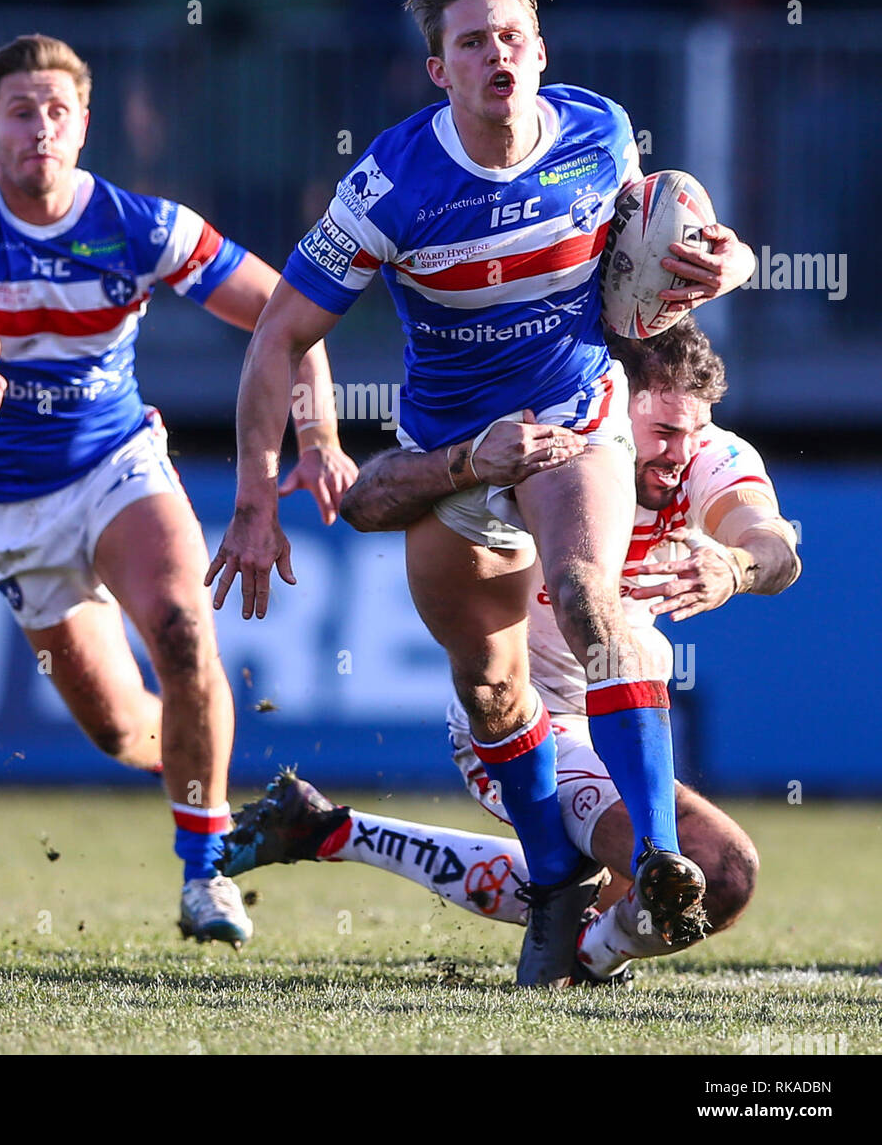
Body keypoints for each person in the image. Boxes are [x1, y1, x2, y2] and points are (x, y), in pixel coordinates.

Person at [206, 0, 757, 985]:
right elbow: (277, 335)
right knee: (492, 691)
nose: (496, 54)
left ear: (540, 52)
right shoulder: (391, 186)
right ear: (439, 70)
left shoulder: (599, 135)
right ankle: (554, 877)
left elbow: (671, 244)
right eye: (472, 42)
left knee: (595, 598)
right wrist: (252, 493)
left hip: (570, 422)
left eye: (512, 37)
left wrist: (731, 259)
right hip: (452, 455)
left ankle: (657, 853)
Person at [0, 33, 355, 949]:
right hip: (10, 506)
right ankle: (207, 779)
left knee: (186, 632)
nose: (39, 128)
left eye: (56, 111)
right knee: (121, 734)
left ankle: (206, 874)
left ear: (84, 126)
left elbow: (291, 318)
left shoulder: (142, 225)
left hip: (118, 464)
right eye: (20, 112)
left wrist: (314, 438)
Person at [219, 320, 802, 986]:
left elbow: (773, 546)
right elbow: (365, 501)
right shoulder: (542, 450)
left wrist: (734, 565)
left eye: (692, 432)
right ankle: (588, 959)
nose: (680, 452)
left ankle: (328, 831)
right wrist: (462, 462)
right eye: (663, 434)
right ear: (609, 407)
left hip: (624, 720)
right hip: (523, 726)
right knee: (714, 869)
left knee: (633, 890)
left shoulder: (708, 456)